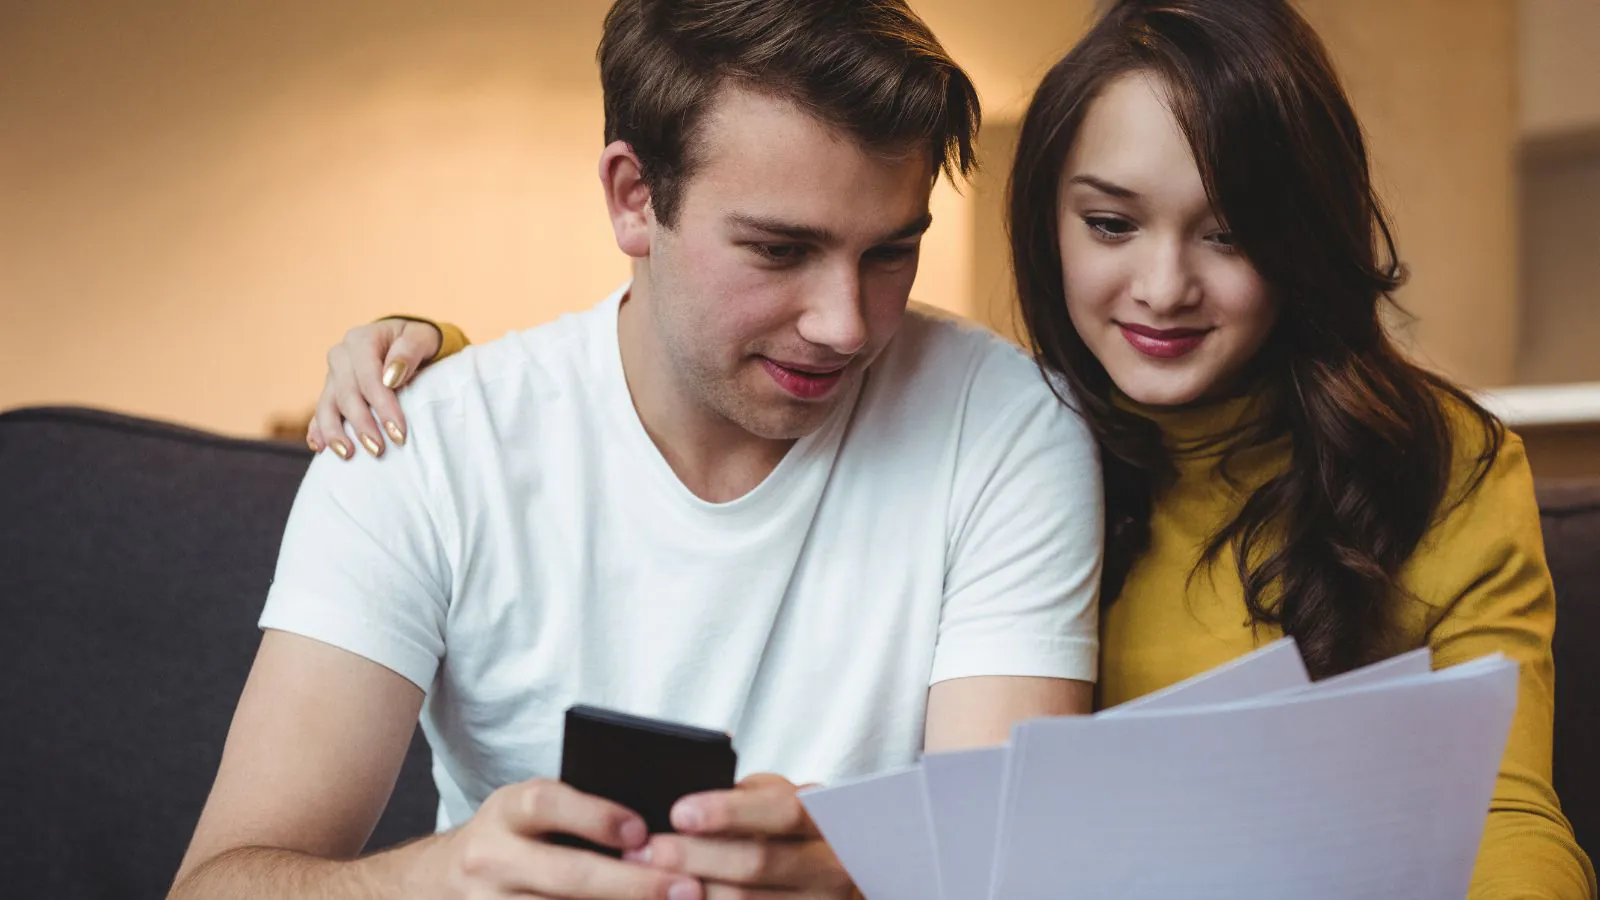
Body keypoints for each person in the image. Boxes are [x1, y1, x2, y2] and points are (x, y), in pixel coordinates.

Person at [319, 1, 1596, 896]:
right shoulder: (1027, 417)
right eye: (1110, 221)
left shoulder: (1419, 465)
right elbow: (630, 385)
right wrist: (436, 364)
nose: (1161, 288)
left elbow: (1505, 809)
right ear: (1045, 220)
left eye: (1229, 232)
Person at [170, 1, 1105, 898]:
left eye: (891, 252)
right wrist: (438, 880)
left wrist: (879, 867)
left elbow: (1009, 866)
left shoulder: (1006, 428)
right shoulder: (422, 446)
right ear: (632, 198)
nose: (845, 324)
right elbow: (219, 883)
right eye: (780, 250)